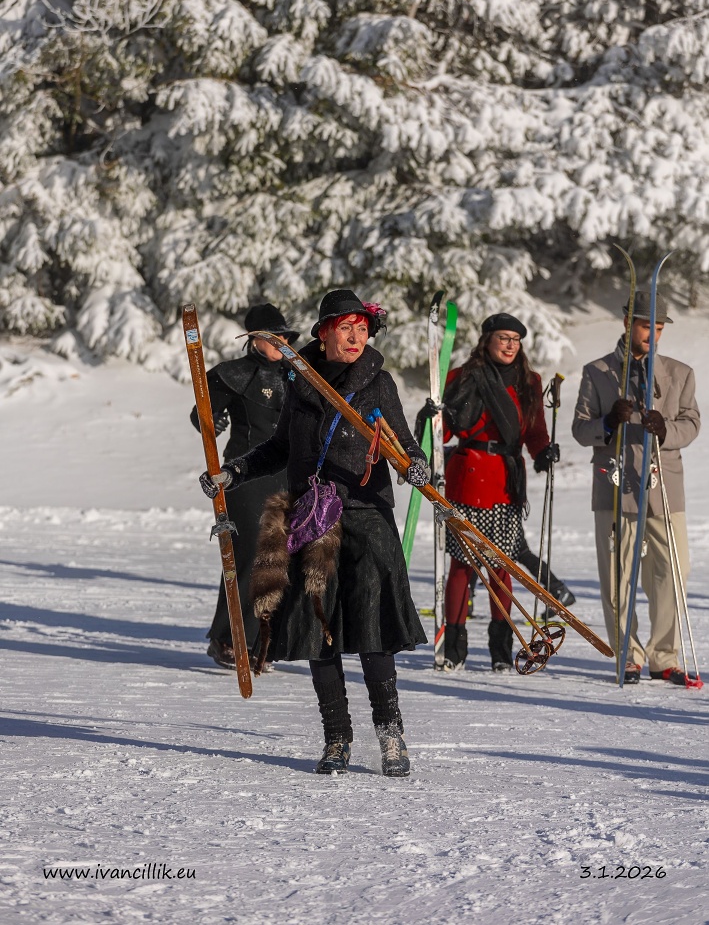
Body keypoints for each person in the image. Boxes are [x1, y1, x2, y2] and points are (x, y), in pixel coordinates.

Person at [199, 289, 428, 776]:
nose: (355, 337)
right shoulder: (301, 383)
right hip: (312, 519)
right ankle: (337, 737)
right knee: (318, 634)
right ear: (323, 333)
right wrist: (234, 472)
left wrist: (417, 465)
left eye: (362, 328)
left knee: (372, 631)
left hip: (367, 519)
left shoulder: (378, 382)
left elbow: (405, 445)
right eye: (345, 328)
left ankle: (391, 735)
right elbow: (279, 448)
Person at [572, 291, 700, 685]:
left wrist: (667, 430)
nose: (652, 335)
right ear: (628, 323)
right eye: (646, 326)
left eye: (658, 328)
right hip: (615, 485)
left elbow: (692, 423)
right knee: (617, 576)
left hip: (664, 487)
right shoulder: (597, 371)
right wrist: (609, 423)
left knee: (672, 572)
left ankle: (664, 657)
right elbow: (580, 429)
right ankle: (628, 656)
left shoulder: (680, 373)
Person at [433, 313, 559, 672]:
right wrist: (433, 416)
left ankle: (501, 652)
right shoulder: (462, 377)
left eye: (515, 340)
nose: (509, 345)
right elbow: (444, 434)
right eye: (503, 337)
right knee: (463, 565)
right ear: (487, 340)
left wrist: (543, 452)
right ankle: (454, 649)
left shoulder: (529, 382)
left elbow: (535, 431)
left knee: (501, 567)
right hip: (467, 479)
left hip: (506, 482)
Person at [190, 303, 299, 669]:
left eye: (285, 337)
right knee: (250, 555)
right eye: (274, 337)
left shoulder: (297, 374)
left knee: (278, 560)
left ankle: (261, 642)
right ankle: (227, 638)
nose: (282, 343)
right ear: (254, 339)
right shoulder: (231, 374)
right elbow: (200, 414)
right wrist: (210, 422)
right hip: (243, 475)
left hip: (287, 476)